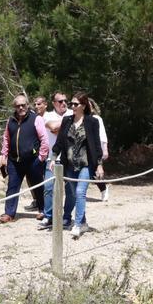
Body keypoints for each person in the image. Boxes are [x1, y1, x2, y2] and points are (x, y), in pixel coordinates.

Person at [54, 92, 105, 240]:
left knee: (81, 191)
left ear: (83, 105)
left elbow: (96, 146)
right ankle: (83, 222)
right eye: (72, 104)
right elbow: (60, 142)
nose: (72, 107)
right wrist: (52, 158)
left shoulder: (92, 122)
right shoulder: (67, 120)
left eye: (75, 104)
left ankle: (76, 225)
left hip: (86, 164)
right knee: (74, 194)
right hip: (69, 164)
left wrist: (99, 165)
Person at [0, 94, 49, 224]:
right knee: (12, 187)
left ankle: (43, 210)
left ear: (27, 105)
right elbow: (6, 139)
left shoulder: (36, 119)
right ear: (14, 107)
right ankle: (9, 213)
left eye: (23, 105)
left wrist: (41, 158)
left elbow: (44, 139)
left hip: (33, 161)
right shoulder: (11, 121)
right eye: (18, 105)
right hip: (14, 161)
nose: (21, 107)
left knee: (38, 186)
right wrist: (4, 156)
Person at [38, 92, 71, 229]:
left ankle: (67, 217)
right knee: (49, 187)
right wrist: (69, 124)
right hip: (53, 157)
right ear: (54, 103)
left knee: (71, 189)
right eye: (60, 101)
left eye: (65, 100)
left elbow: (58, 128)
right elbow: (53, 127)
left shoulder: (72, 112)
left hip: (70, 158)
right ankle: (49, 216)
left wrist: (61, 126)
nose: (63, 103)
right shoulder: (47, 116)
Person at [86, 98, 111, 203]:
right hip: (85, 150)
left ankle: (104, 189)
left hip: (96, 149)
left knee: (96, 172)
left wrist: (105, 149)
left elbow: (102, 134)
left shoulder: (96, 118)